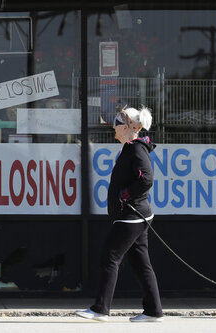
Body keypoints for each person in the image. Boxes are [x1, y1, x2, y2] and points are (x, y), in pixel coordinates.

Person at [75, 105, 163, 323]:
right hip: (133, 215)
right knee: (141, 264)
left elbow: (146, 179)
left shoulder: (136, 149)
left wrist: (126, 194)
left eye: (115, 125)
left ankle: (101, 309)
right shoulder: (130, 148)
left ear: (125, 127)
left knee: (110, 257)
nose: (113, 129)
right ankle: (153, 311)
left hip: (131, 216)